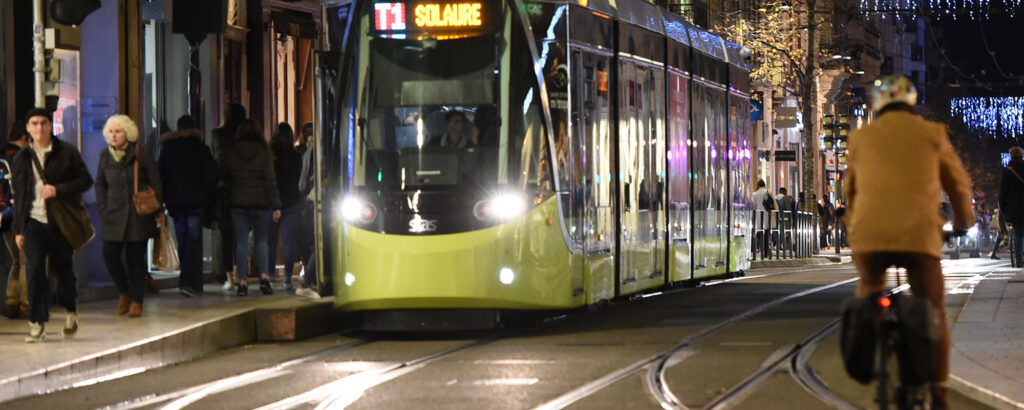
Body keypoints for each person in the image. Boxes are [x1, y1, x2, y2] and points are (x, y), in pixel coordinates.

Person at [844, 75, 973, 407]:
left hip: (870, 235)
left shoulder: (861, 137)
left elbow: (850, 190)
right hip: (919, 234)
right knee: (933, 306)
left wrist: (854, 224)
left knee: (870, 285)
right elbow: (958, 186)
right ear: (912, 103)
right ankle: (939, 390)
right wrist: (963, 222)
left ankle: (870, 339)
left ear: (878, 105)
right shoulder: (932, 134)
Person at [12, 108, 94, 342]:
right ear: (28, 128)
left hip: (60, 222)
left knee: (62, 269)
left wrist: (58, 190)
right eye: (34, 123)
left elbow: (85, 180)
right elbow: (20, 196)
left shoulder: (66, 152)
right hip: (33, 222)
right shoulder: (21, 158)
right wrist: (18, 229)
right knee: (35, 270)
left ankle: (70, 311)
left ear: (50, 126)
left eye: (43, 123)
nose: (39, 128)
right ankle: (37, 323)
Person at [95, 115, 164, 316]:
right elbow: (100, 184)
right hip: (113, 214)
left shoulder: (141, 153)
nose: (114, 135)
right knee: (110, 255)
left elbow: (155, 182)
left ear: (128, 133)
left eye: (118, 131)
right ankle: (123, 291)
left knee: (135, 260)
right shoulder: (105, 156)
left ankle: (136, 300)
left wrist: (158, 210)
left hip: (137, 214)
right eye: (110, 132)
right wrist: (103, 207)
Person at [219, 119, 281, 296]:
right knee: (261, 241)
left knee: (241, 243)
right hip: (261, 203)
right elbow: (270, 180)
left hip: (237, 203)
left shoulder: (231, 151)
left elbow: (223, 175)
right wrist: (276, 204)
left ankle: (243, 282)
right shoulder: (263, 152)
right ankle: (264, 278)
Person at [159, 115, 217, 296]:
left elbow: (161, 175)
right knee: (194, 240)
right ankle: (191, 281)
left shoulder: (168, 149)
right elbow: (211, 175)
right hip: (196, 201)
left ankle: (187, 281)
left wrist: (164, 197)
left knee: (183, 240)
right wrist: (206, 194)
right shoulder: (201, 149)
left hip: (175, 202)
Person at [211, 104, 246, 291]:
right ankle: (241, 274)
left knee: (225, 235)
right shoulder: (245, 138)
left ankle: (228, 276)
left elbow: (216, 160)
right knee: (241, 236)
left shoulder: (217, 135)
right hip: (243, 191)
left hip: (223, 191)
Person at [267, 123, 303, 291]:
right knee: (289, 243)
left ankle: (269, 275)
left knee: (270, 242)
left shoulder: (270, 155)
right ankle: (287, 278)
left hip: (271, 204)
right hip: (291, 203)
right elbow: (298, 180)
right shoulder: (295, 157)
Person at [3, 121, 29, 319]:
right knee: (27, 261)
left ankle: (11, 301)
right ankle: (26, 304)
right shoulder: (22, 158)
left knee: (15, 260)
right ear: (24, 138)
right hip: (20, 216)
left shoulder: (2, 157)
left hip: (4, 217)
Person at [998, 146, 1024, 267]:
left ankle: (1018, 258)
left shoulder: (1008, 172)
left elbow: (1002, 193)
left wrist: (1003, 208)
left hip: (1015, 209)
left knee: (1018, 234)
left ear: (1011, 156)